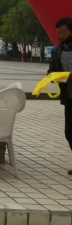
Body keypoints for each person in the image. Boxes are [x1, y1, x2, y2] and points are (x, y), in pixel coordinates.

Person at [48, 18, 72, 175]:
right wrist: (51, 77)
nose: (60, 36)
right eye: (58, 33)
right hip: (68, 97)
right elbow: (51, 69)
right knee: (69, 132)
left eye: (63, 32)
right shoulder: (57, 51)